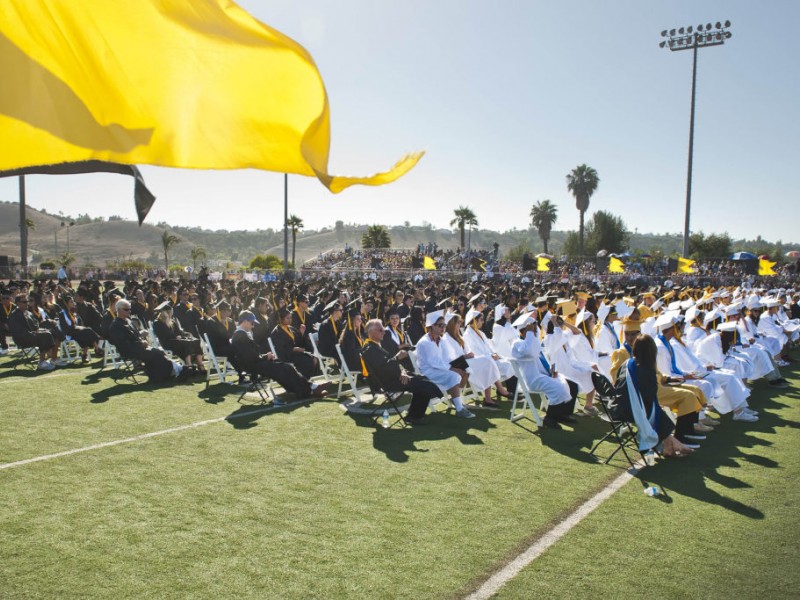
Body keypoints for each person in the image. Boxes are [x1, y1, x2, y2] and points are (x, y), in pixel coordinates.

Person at [615, 335, 694, 458]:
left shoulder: (627, 364)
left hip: (618, 406)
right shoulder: (646, 370)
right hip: (629, 411)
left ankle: (670, 446)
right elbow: (650, 396)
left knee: (658, 411)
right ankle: (674, 444)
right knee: (657, 411)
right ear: (652, 352)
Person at [230, 311, 328, 401]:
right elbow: (250, 357)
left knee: (286, 367)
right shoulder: (240, 336)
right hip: (253, 366)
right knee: (285, 368)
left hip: (254, 363)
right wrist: (265, 357)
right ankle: (309, 389)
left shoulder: (241, 334)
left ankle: (309, 388)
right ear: (245, 321)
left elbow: (251, 355)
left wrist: (265, 356)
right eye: (252, 323)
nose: (253, 326)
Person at [361, 319, 442, 425]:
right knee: (424, 385)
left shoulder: (375, 346)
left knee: (422, 379)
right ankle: (414, 416)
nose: (384, 332)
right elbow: (385, 368)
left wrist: (402, 371)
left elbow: (388, 364)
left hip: (394, 377)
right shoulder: (370, 349)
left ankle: (414, 414)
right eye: (380, 330)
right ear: (371, 332)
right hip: (389, 382)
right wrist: (398, 357)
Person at [510, 313, 578, 429]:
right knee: (559, 388)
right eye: (531, 329)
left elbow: (542, 360)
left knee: (571, 384)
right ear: (524, 330)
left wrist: (551, 372)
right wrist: (530, 333)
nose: (535, 331)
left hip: (542, 376)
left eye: (534, 328)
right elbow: (530, 352)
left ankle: (561, 414)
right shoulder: (517, 344)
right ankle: (549, 418)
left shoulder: (533, 341)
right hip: (533, 379)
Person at [107, 299, 187, 383]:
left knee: (159, 352)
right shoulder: (115, 326)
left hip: (138, 347)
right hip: (129, 350)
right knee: (156, 353)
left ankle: (171, 372)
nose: (129, 311)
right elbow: (123, 343)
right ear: (118, 310)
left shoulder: (128, 321)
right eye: (126, 309)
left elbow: (137, 335)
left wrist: (142, 340)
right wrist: (140, 343)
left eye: (130, 309)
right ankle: (168, 373)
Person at [415, 310, 475, 418]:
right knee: (454, 375)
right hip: (428, 371)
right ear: (432, 326)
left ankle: (457, 400)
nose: (443, 327)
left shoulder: (441, 340)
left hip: (439, 368)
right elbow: (434, 362)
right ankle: (459, 408)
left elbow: (447, 358)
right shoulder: (425, 342)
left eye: (444, 325)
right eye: (440, 325)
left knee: (465, 370)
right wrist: (453, 369)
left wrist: (458, 365)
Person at [7, 294, 63, 371]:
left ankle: (54, 359)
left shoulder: (27, 313)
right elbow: (19, 332)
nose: (27, 303)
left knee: (55, 332)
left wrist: (42, 327)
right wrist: (37, 332)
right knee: (45, 335)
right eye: (24, 302)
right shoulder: (14, 315)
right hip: (23, 338)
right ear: (18, 303)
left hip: (32, 334)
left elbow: (36, 325)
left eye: (27, 301)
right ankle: (41, 362)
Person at [153, 303, 206, 374]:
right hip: (167, 342)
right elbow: (163, 335)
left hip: (177, 341)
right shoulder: (157, 323)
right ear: (166, 312)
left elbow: (179, 331)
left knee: (196, 341)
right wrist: (175, 335)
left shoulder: (172, 321)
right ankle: (189, 366)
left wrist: (186, 334)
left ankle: (200, 365)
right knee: (186, 343)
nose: (172, 314)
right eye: (171, 312)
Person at [271, 307, 319, 379]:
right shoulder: (277, 332)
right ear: (281, 319)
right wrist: (294, 349)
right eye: (288, 318)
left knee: (314, 359)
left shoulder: (291, 328)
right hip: (286, 355)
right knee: (306, 360)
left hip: (295, 353)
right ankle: (303, 380)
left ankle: (306, 379)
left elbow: (299, 341)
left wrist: (301, 333)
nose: (290, 320)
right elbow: (281, 348)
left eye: (291, 318)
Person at [58, 295, 102, 361]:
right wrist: (77, 328)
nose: (74, 303)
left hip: (78, 331)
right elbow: (65, 328)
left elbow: (80, 322)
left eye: (73, 301)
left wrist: (79, 327)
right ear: (66, 304)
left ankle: (86, 354)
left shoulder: (74, 312)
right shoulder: (62, 314)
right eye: (71, 302)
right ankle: (96, 349)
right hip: (70, 333)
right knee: (87, 331)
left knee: (86, 332)